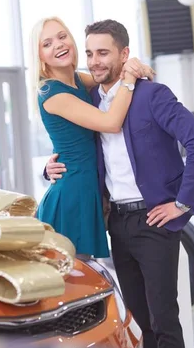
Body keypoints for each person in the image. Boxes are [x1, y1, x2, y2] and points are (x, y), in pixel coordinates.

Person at [45, 19, 194, 348]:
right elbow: (77, 146)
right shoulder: (90, 97)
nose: (95, 61)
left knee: (164, 318)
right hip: (117, 222)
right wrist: (49, 168)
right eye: (91, 53)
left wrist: (182, 203)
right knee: (137, 321)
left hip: (155, 220)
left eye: (104, 53)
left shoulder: (153, 95)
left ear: (124, 54)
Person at [29, 16, 154, 259]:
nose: (58, 45)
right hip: (72, 196)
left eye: (62, 36)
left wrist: (135, 66)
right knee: (74, 284)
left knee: (86, 281)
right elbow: (110, 123)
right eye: (47, 44)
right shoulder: (51, 93)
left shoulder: (78, 80)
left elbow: (111, 77)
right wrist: (130, 77)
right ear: (40, 57)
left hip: (89, 190)